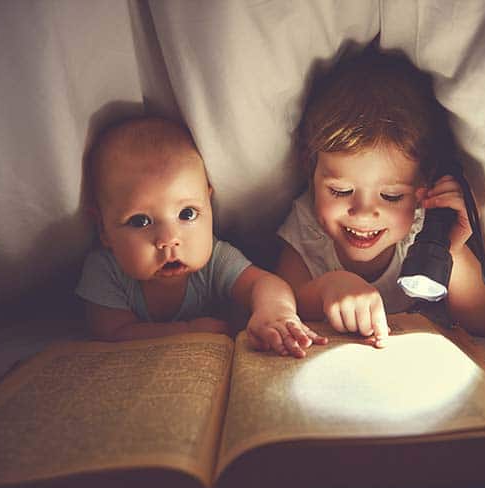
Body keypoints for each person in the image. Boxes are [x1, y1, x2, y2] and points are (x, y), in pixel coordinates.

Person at [275, 46, 485, 347]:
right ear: (310, 170)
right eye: (341, 191)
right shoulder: (308, 224)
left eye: (391, 196)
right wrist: (328, 288)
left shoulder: (422, 229)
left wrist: (451, 249)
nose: (363, 212)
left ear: (422, 187)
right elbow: (283, 303)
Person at [76, 116, 326, 357]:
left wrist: (276, 313)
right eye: (140, 221)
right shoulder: (105, 270)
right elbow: (112, 334)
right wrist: (187, 332)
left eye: (187, 214)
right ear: (103, 230)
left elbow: (266, 283)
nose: (169, 238)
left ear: (209, 203)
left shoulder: (216, 259)